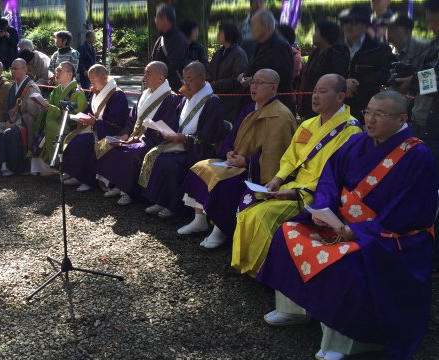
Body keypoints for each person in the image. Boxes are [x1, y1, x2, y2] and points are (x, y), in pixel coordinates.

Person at [258, 91, 438, 360]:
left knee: (346, 260)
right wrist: (324, 209)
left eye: (380, 114)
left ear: (402, 118)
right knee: (289, 233)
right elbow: (330, 177)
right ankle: (294, 308)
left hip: (387, 235)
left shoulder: (418, 156)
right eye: (368, 111)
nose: (370, 119)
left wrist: (361, 230)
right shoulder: (357, 143)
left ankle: (344, 340)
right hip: (339, 222)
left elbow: (410, 209)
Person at [231, 74, 363, 277]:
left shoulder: (351, 131)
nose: (315, 96)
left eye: (323, 91)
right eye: (315, 90)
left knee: (261, 214)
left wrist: (297, 192)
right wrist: (277, 179)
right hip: (291, 185)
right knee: (247, 200)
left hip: (314, 194)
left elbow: (336, 177)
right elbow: (290, 158)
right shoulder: (308, 124)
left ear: (340, 97)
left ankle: (271, 272)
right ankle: (250, 264)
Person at [179, 69, 297, 249]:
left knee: (227, 185)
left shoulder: (280, 115)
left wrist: (247, 161)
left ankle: (221, 230)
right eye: (253, 82)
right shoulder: (250, 108)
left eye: (260, 83)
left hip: (255, 170)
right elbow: (231, 136)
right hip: (234, 161)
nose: (254, 86)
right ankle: (199, 219)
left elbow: (277, 155)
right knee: (200, 167)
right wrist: (228, 152)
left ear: (273, 88)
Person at [141, 61, 224, 218]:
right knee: (158, 156)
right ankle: (161, 200)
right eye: (184, 79)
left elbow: (208, 135)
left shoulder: (212, 101)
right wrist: (164, 130)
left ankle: (175, 206)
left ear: (203, 77)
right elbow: (176, 121)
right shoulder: (186, 97)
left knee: (171, 163)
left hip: (199, 149)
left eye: (190, 79)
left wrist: (183, 138)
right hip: (181, 144)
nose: (186, 83)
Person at [95, 61, 181, 206]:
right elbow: (131, 117)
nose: (144, 76)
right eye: (145, 72)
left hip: (153, 140)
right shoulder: (144, 94)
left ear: (161, 78)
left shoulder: (171, 99)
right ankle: (117, 184)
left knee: (130, 152)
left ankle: (129, 192)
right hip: (134, 136)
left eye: (148, 73)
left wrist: (138, 138)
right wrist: (125, 134)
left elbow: (166, 126)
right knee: (109, 144)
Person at [61, 64, 129, 192]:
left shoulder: (117, 95)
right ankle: (76, 174)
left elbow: (116, 123)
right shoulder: (97, 91)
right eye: (90, 79)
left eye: (93, 79)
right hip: (94, 127)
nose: (91, 82)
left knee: (83, 143)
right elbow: (90, 110)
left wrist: (95, 123)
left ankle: (89, 180)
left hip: (108, 131)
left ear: (104, 77)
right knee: (72, 138)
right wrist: (81, 117)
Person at [0, 58, 42, 176]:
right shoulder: (13, 87)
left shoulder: (31, 87)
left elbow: (33, 112)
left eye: (16, 68)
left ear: (25, 69)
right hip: (12, 121)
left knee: (9, 132)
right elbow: (8, 107)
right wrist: (8, 120)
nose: (13, 71)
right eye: (12, 68)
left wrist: (15, 122)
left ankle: (11, 166)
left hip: (25, 123)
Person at [31, 61, 87, 175]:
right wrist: (45, 105)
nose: (56, 73)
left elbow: (77, 114)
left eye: (59, 70)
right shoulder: (57, 89)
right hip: (53, 122)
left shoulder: (78, 92)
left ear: (69, 74)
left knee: (52, 127)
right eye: (56, 70)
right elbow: (51, 106)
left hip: (69, 126)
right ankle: (46, 167)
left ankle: (56, 165)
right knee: (43, 126)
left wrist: (52, 109)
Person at [339, 4, 394, 121]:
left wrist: (358, 83)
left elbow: (387, 74)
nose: (349, 26)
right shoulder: (333, 48)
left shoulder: (379, 49)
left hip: (365, 112)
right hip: (335, 109)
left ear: (365, 26)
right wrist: (342, 82)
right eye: (346, 22)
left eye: (354, 23)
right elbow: (323, 73)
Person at [238, 9, 295, 112]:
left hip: (275, 105)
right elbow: (254, 67)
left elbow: (284, 77)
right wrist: (244, 76)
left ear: (266, 26)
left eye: (254, 25)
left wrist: (256, 80)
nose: (251, 29)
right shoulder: (259, 44)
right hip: (258, 102)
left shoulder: (280, 46)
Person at [298, 21, 350, 119]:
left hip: (326, 108)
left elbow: (336, 81)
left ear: (325, 34)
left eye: (316, 32)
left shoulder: (337, 54)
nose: (313, 35)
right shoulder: (315, 53)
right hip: (310, 107)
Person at [207, 22, 249, 124]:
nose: (218, 34)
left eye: (221, 32)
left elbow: (238, 79)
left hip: (232, 101)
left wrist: (215, 85)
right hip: (217, 97)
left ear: (228, 34)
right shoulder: (219, 53)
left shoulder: (239, 54)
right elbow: (210, 71)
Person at [151, 3, 188, 91]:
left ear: (164, 19)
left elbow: (174, 66)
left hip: (175, 90)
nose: (155, 20)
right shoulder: (160, 39)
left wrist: (156, 76)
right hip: (159, 88)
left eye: (157, 17)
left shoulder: (179, 39)